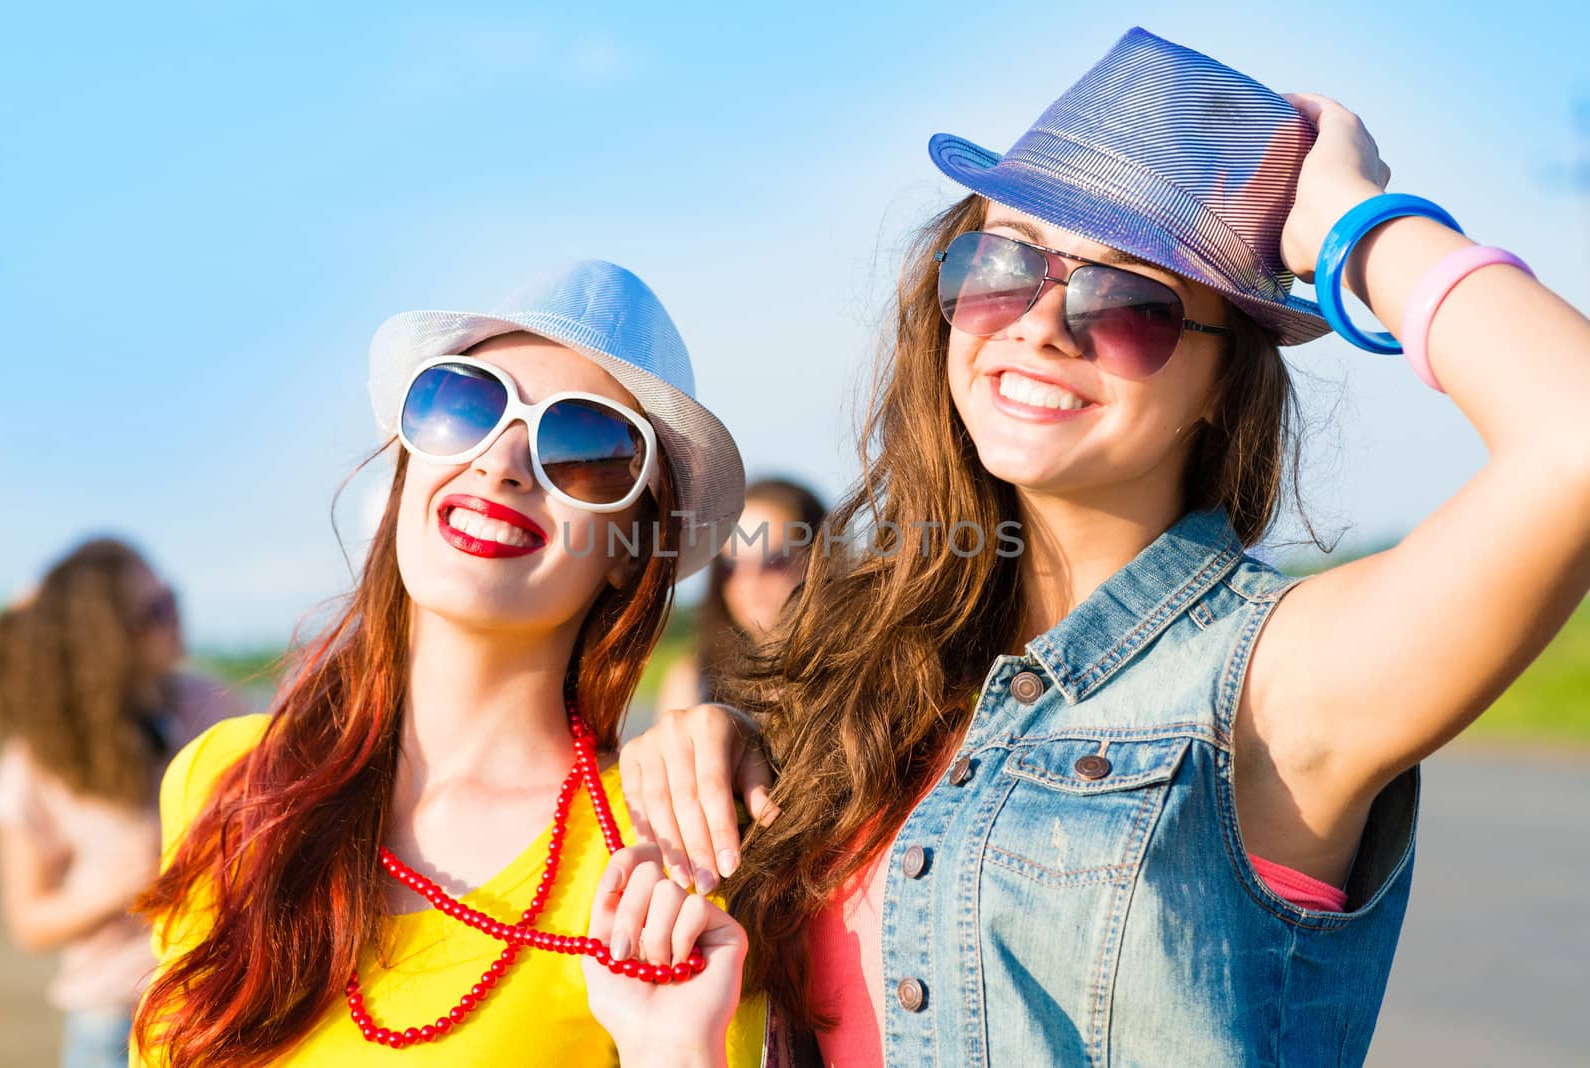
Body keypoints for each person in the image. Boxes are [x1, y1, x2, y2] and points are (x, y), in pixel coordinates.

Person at [616, 28, 1590, 1066]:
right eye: (1002, 265)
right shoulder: (864, 670)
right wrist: (722, 737)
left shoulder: (1275, 678)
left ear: (1221, 384)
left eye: (1129, 303)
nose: (1040, 325)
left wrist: (1352, 219)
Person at [129, 261, 765, 1066]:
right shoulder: (224, 783)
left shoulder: (665, 864)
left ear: (629, 552)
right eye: (465, 405)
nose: (503, 463)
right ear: (407, 463)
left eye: (584, 446)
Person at [0, 539, 244, 1068]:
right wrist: (115, 888)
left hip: (222, 1003)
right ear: (102, 640)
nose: (174, 618)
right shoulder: (35, 763)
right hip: (112, 1021)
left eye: (171, 599)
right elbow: (29, 922)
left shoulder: (210, 704)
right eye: (153, 612)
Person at [655, 478, 827, 715]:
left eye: (773, 560)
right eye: (730, 565)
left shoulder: (859, 673)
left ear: (819, 562)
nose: (749, 580)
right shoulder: (692, 681)